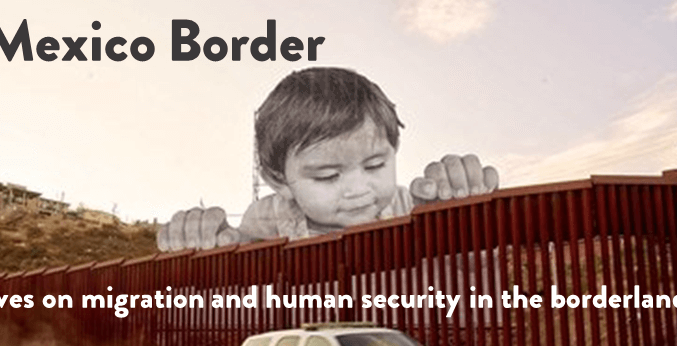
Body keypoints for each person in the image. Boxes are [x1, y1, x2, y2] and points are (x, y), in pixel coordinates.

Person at [157, 67, 498, 251]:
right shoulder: (267, 221)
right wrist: (212, 244)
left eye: (375, 165)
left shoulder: (415, 206)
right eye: (327, 176)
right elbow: (243, 282)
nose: (357, 190)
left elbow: (474, 277)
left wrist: (457, 213)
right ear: (278, 179)